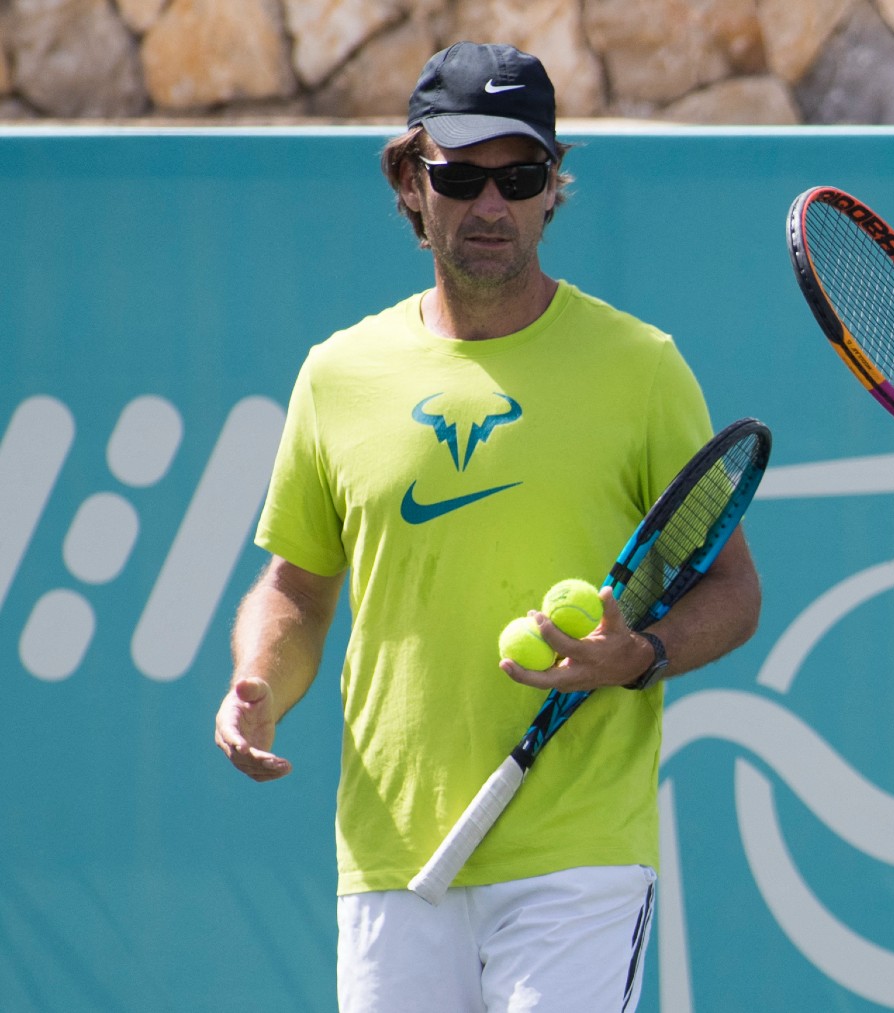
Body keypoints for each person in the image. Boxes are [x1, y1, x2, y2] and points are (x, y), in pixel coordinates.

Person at [212, 42, 761, 1012]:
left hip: (578, 852)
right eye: (461, 177)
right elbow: (296, 587)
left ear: (555, 188)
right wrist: (258, 682)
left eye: (521, 175)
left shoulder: (642, 368)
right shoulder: (336, 376)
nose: (492, 205)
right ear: (411, 182)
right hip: (390, 852)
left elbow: (732, 587)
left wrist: (642, 653)